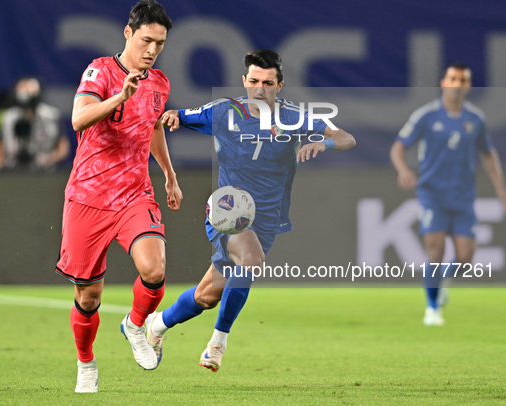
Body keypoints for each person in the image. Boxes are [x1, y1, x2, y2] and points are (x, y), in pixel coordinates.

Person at [147, 49, 356, 372]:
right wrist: (173, 116)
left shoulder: (296, 117)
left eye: (268, 83)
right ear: (244, 81)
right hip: (229, 211)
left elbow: (346, 138)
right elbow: (173, 117)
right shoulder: (222, 112)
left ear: (280, 85)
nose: (260, 89)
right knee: (252, 260)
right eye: (254, 81)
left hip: (268, 221)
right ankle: (217, 343)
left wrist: (323, 143)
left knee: (207, 295)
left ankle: (157, 326)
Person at [54, 0, 182, 393]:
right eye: (146, 40)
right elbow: (78, 118)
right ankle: (86, 363)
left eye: (159, 44)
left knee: (155, 269)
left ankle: (135, 325)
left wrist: (169, 175)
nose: (152, 50)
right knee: (89, 296)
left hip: (133, 194)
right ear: (128, 33)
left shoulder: (159, 82)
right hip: (88, 196)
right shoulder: (100, 71)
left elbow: (154, 127)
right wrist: (119, 98)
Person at [390, 63, 506, 326]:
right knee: (435, 250)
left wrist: (501, 188)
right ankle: (432, 308)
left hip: (463, 196)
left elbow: (488, 154)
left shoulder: (475, 120)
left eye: (463, 80)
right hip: (432, 194)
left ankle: (442, 281)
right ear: (444, 82)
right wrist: (403, 169)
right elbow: (398, 147)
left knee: (466, 256)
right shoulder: (427, 115)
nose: (457, 84)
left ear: (468, 86)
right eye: (453, 78)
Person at [0, 76, 70, 170]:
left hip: (44, 173)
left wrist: (49, 160)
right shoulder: (7, 118)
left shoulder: (52, 116)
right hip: (13, 171)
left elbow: (63, 146)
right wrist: (1, 167)